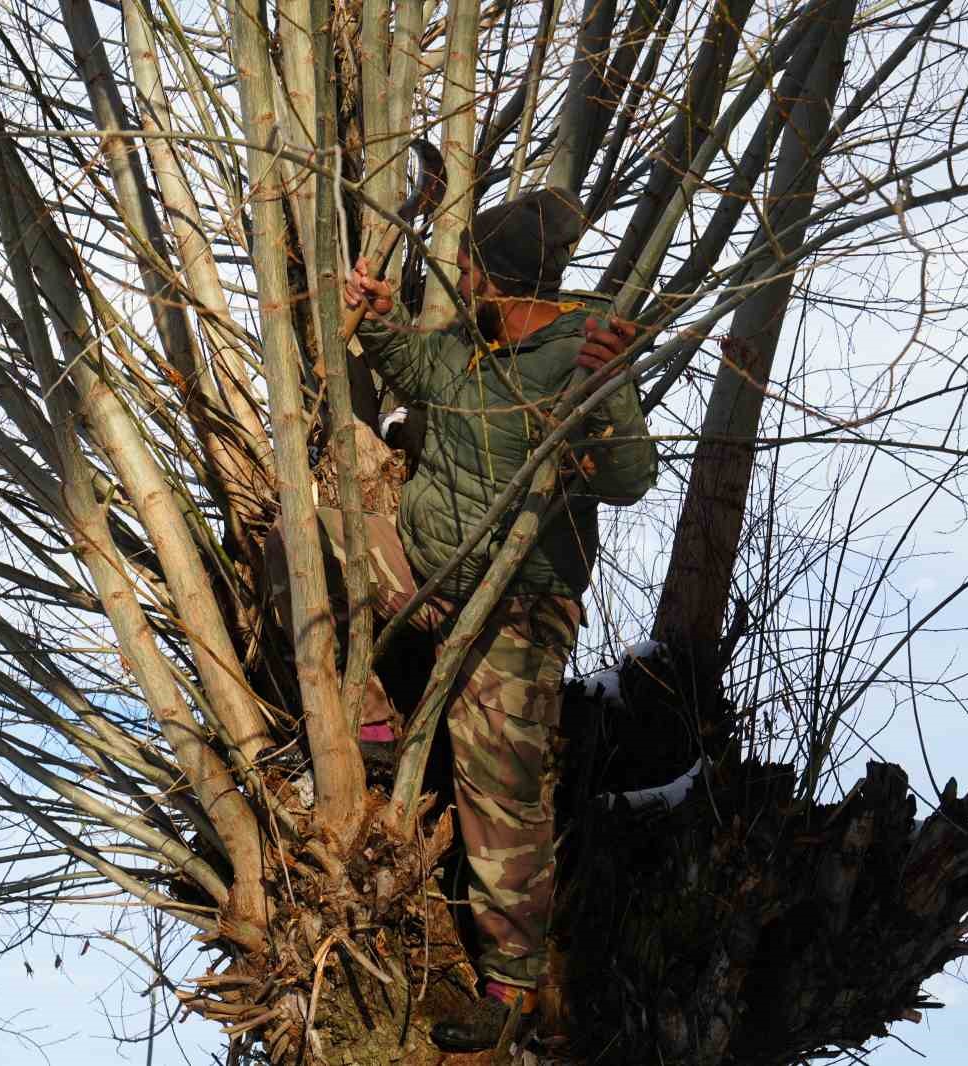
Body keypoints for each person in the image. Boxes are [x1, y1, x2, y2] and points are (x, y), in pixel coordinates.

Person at [337, 188, 660, 1050]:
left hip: (518, 610)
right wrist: (375, 317)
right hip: (427, 577)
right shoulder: (467, 349)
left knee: (503, 795)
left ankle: (511, 988)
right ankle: (373, 717)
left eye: (472, 265)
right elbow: (411, 366)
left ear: (499, 275)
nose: (462, 276)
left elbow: (629, 479)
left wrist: (614, 388)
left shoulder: (581, 350)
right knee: (336, 494)